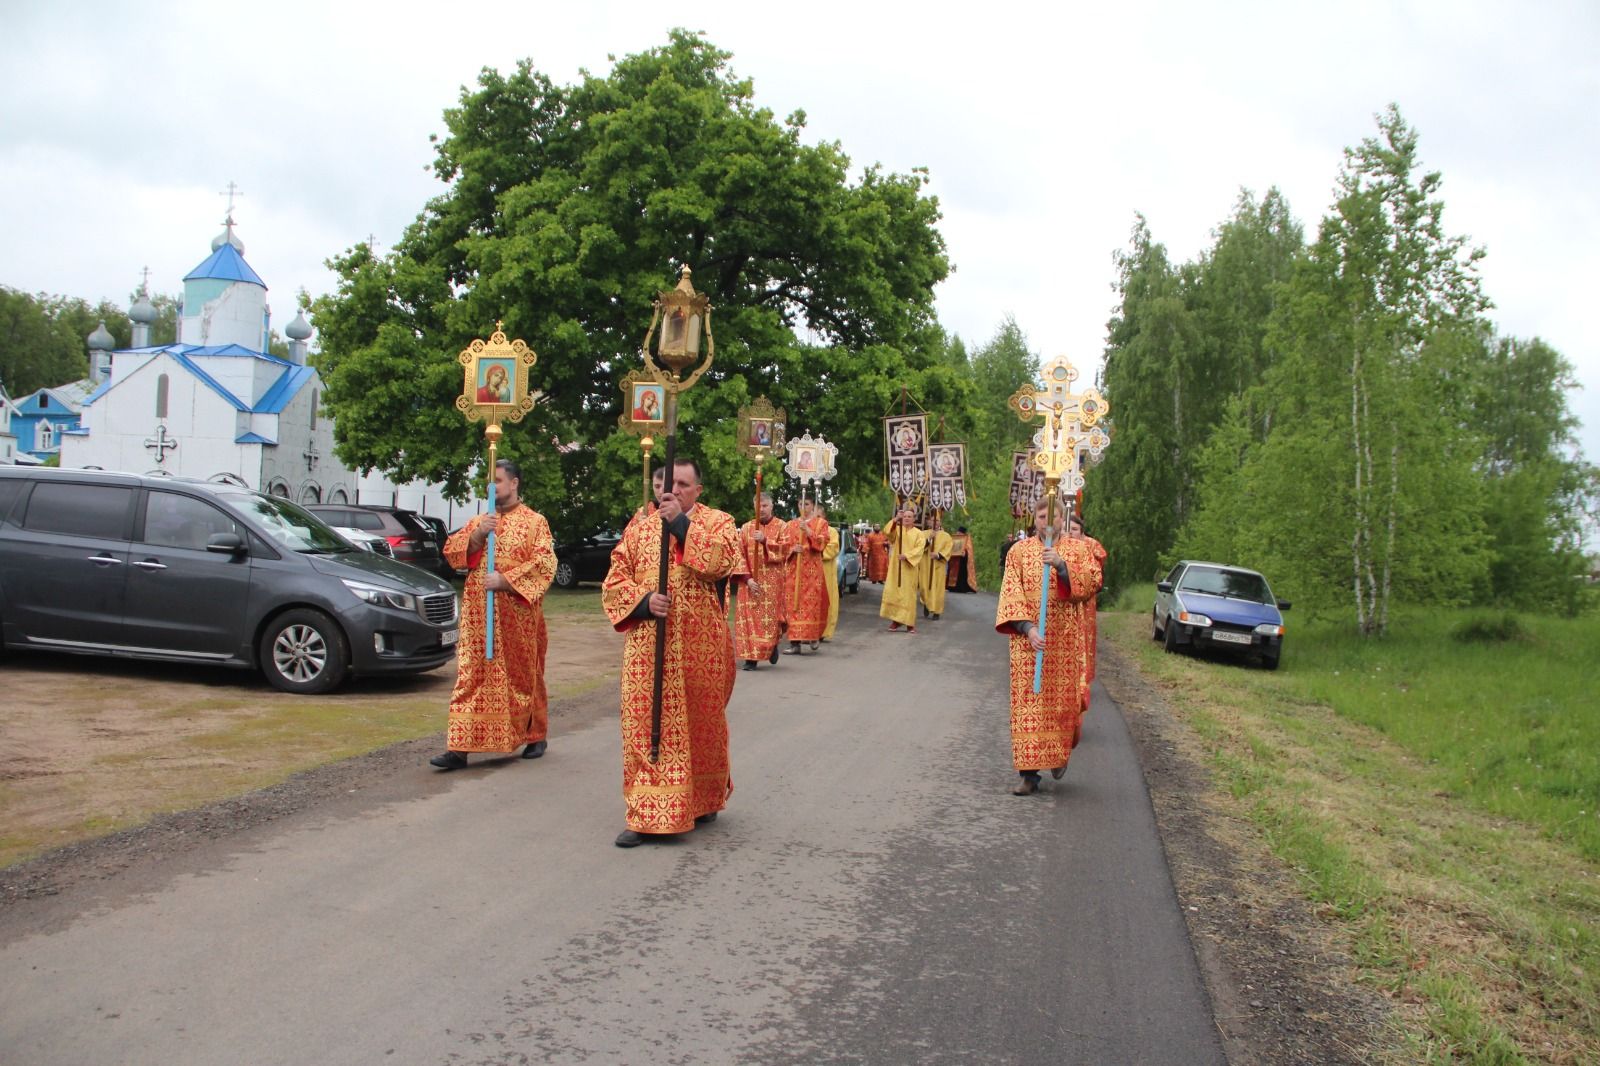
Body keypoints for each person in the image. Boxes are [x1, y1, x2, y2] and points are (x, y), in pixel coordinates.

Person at [601, 458, 747, 847]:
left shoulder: (719, 522)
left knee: (701, 722)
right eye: (669, 483)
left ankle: (703, 797)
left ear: (698, 489)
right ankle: (647, 813)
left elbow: (719, 563)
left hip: (700, 645)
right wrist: (645, 601)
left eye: (683, 484)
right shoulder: (638, 531)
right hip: (648, 648)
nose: (675, 490)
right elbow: (614, 581)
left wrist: (680, 525)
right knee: (644, 724)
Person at [431, 459, 556, 770]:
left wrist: (506, 581)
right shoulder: (480, 521)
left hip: (517, 618)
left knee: (521, 677)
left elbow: (545, 564)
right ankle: (459, 748)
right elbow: (452, 553)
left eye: (498, 481)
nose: (492, 487)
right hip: (478, 618)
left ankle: (533, 735)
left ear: (513, 484)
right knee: (471, 676)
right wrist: (475, 537)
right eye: (489, 482)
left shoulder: (534, 522)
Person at [994, 497, 1103, 795]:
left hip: (1065, 643)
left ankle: (1057, 755)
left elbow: (1094, 581)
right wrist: (1027, 629)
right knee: (1028, 706)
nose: (1046, 522)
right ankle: (1029, 776)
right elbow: (1010, 594)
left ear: (1061, 519)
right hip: (1029, 645)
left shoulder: (1077, 550)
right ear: (1035, 519)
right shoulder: (1019, 551)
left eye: (1050, 517)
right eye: (1040, 517)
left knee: (1060, 706)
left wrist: (1063, 567)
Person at [736, 492, 787, 669]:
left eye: (765, 505)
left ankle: (770, 646)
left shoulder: (782, 526)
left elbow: (785, 550)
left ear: (772, 506)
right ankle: (751, 659)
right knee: (749, 620)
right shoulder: (745, 528)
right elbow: (738, 555)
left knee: (768, 622)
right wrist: (747, 579)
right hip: (749, 584)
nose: (762, 509)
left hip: (772, 584)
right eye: (759, 506)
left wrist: (766, 541)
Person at [1068, 512, 1109, 712]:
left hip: (1086, 600)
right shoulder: (1062, 545)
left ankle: (1083, 678)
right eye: (1069, 529)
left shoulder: (1091, 546)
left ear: (1082, 531)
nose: (1071, 533)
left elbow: (1097, 576)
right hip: (1066, 599)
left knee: (1085, 636)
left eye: (1075, 529)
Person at [786, 499, 831, 651]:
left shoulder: (821, 523)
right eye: (799, 504)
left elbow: (823, 542)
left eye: (806, 504)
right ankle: (795, 643)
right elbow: (784, 544)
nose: (802, 507)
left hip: (812, 571)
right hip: (795, 570)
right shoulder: (791, 524)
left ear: (812, 505)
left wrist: (809, 531)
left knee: (812, 605)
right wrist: (793, 549)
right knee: (794, 605)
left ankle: (813, 636)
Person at [879, 507, 926, 633]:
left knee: (909, 595)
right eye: (905, 516)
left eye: (909, 516)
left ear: (914, 519)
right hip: (896, 566)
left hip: (909, 568)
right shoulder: (898, 529)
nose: (906, 518)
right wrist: (895, 519)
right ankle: (896, 621)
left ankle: (910, 623)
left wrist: (907, 556)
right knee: (896, 593)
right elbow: (888, 533)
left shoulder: (919, 534)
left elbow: (920, 549)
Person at [919, 512, 955, 620]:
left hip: (939, 565)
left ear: (940, 522)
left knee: (938, 588)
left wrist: (939, 555)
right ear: (929, 522)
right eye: (932, 520)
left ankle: (937, 612)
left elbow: (948, 549)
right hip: (926, 564)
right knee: (924, 587)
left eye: (937, 520)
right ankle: (926, 603)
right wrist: (929, 539)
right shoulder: (923, 533)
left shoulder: (946, 536)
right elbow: (919, 546)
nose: (935, 522)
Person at [820, 504, 841, 641]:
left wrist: (816, 553)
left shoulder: (831, 531)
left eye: (819, 516)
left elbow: (832, 549)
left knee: (826, 600)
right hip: (807, 574)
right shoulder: (805, 529)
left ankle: (823, 631)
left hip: (825, 571)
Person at [947, 525, 980, 593]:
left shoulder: (967, 540)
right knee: (952, 573)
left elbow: (969, 551)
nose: (958, 534)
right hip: (954, 559)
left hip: (962, 560)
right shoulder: (955, 538)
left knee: (961, 574)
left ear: (963, 533)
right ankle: (951, 587)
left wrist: (965, 554)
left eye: (960, 533)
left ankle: (961, 588)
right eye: (958, 532)